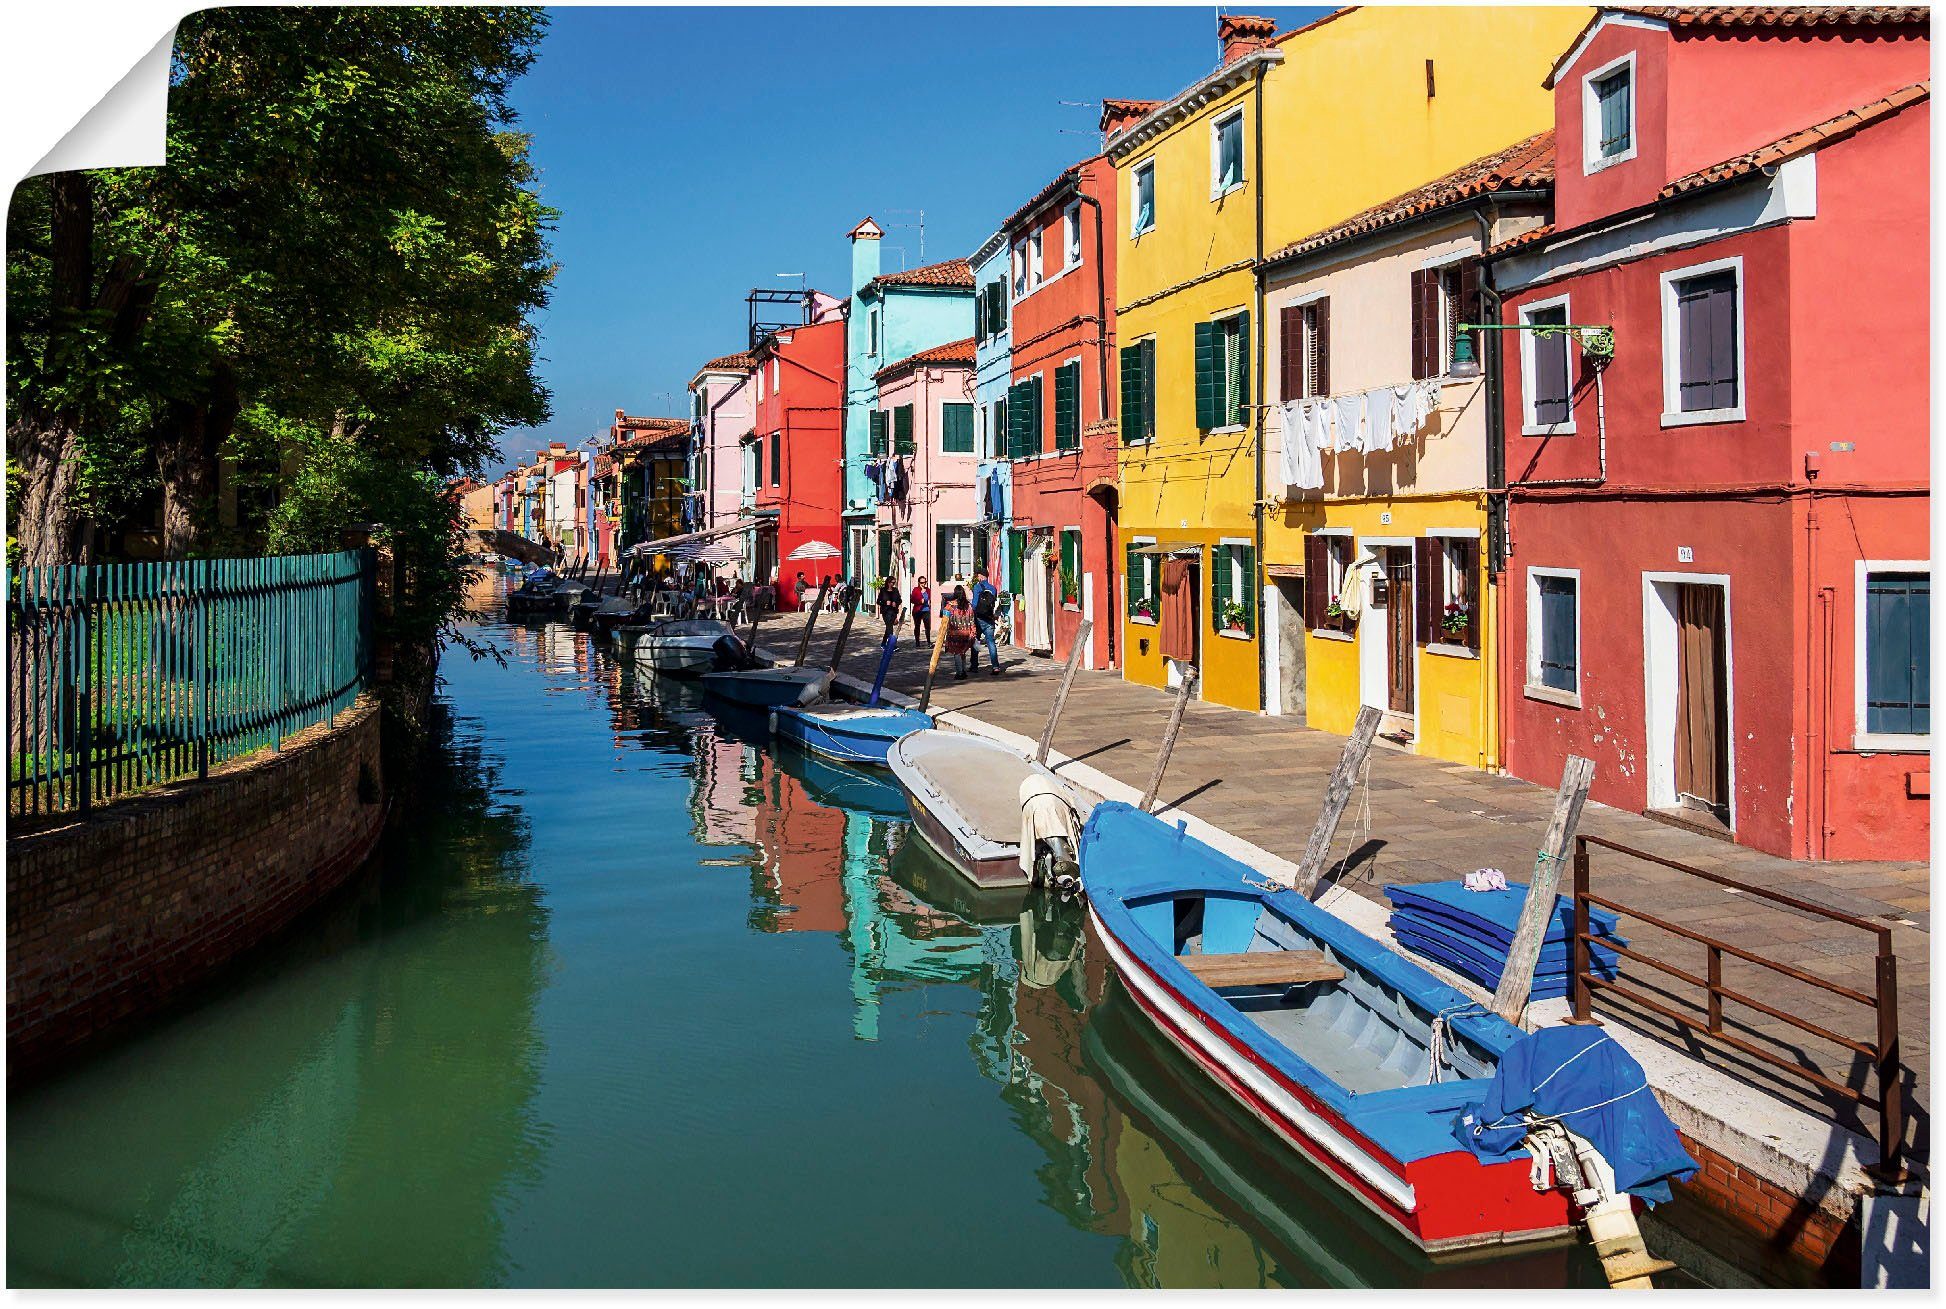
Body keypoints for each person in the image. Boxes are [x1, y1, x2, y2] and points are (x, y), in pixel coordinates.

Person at [970, 566, 1002, 676]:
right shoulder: (993, 588)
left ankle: (974, 666)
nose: (977, 577)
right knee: (991, 643)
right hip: (989, 619)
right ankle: (995, 666)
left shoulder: (977, 587)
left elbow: (974, 604)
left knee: (975, 642)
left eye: (978, 575)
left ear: (980, 576)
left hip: (979, 619)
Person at [943, 586, 976, 679]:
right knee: (963, 652)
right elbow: (972, 620)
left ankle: (959, 672)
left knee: (957, 653)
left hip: (954, 633)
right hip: (966, 633)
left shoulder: (950, 606)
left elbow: (944, 617)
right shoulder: (968, 606)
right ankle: (964, 670)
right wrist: (973, 632)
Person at [909, 576, 932, 645]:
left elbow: (930, 598)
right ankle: (917, 641)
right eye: (922, 582)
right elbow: (912, 600)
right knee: (917, 626)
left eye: (925, 582)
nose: (923, 584)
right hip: (917, 610)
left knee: (927, 626)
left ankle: (928, 641)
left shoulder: (928, 590)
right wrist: (919, 601)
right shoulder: (915, 590)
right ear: (919, 583)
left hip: (926, 610)